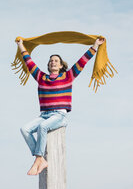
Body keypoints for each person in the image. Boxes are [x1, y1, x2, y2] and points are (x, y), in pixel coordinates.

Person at [17, 37, 105, 175]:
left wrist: (95, 45)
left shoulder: (68, 76)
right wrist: (21, 45)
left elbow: (83, 61)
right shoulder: (41, 77)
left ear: (61, 65)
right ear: (48, 65)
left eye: (56, 61)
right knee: (24, 129)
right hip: (44, 115)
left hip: (59, 115)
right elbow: (29, 62)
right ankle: (40, 159)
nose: (53, 62)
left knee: (42, 127)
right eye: (51, 60)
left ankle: (39, 159)